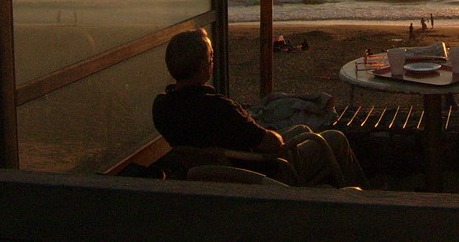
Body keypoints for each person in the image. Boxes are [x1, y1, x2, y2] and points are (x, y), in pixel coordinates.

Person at [152, 29, 366, 187]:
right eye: (211, 57)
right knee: (335, 138)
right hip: (261, 174)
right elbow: (271, 144)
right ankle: (362, 198)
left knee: (304, 131)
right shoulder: (218, 108)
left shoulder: (162, 105)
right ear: (202, 66)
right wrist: (272, 135)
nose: (212, 62)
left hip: (215, 171)